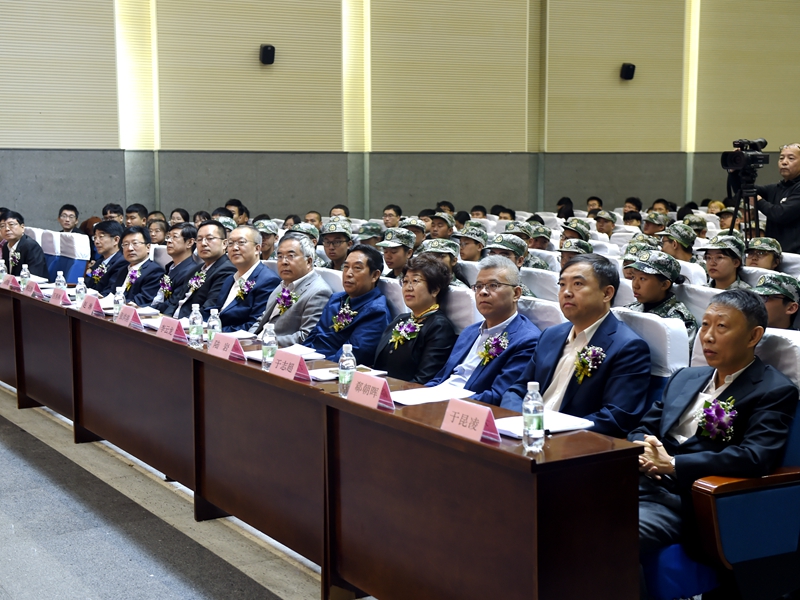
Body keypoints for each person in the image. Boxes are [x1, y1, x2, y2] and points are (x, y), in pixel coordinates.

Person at [632, 289, 798, 560]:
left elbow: (755, 457)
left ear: (753, 336)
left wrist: (672, 464)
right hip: (638, 480)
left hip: (684, 499)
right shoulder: (685, 377)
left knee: (609, 535)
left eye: (721, 327)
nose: (707, 336)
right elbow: (642, 428)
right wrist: (644, 451)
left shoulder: (773, 390)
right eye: (705, 324)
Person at [501, 254, 651, 437]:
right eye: (562, 284)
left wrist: (548, 431)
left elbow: (616, 418)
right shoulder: (550, 335)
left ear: (607, 293)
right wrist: (523, 422)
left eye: (578, 284)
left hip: (568, 442)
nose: (566, 292)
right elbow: (517, 390)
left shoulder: (628, 347)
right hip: (525, 432)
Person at [427, 256, 540, 405]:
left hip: (467, 409)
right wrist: (421, 394)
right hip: (438, 400)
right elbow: (441, 379)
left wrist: (444, 402)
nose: (483, 292)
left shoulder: (527, 340)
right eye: (479, 286)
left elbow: (498, 396)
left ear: (516, 294)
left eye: (493, 285)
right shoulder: (469, 332)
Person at [374, 255, 457, 384]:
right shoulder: (400, 319)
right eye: (405, 281)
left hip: (407, 393)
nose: (408, 287)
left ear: (435, 290)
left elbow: (424, 379)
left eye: (415, 281)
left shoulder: (439, 327)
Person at [306, 245, 391, 365]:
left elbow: (352, 355)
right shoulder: (336, 299)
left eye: (357, 268)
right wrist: (299, 359)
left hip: (332, 369)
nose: (348, 273)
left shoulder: (376, 311)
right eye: (346, 267)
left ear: (374, 275)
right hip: (311, 362)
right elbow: (314, 335)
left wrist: (312, 366)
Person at [250, 235, 333, 345]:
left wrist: (265, 341)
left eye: (291, 256)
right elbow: (262, 320)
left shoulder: (319, 292)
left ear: (308, 261)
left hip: (277, 349)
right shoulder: (283, 284)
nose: (283, 262)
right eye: (280, 256)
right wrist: (247, 338)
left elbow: (306, 336)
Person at [625, 250, 697, 349]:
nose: (635, 285)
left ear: (664, 285)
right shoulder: (630, 309)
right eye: (633, 277)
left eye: (642, 279)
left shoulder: (680, 322)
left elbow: (680, 355)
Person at [214, 225, 280, 332]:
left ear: (257, 249)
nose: (234, 248)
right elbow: (217, 310)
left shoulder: (268, 280)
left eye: (241, 242)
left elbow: (254, 325)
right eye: (230, 243)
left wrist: (215, 331)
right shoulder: (230, 279)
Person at [170, 220, 236, 319]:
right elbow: (174, 302)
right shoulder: (195, 270)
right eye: (199, 239)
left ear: (224, 243)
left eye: (210, 238)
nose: (203, 243)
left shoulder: (227, 270)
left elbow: (209, 309)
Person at [753, 143, 800, 253]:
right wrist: (735, 172)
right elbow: (743, 190)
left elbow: (780, 214)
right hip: (774, 253)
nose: (784, 162)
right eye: (781, 158)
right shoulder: (777, 188)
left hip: (795, 256)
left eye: (791, 158)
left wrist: (758, 200)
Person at [152, 223, 199, 314]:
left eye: (175, 237)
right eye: (168, 237)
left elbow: (172, 303)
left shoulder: (190, 271)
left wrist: (146, 309)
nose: (169, 241)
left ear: (190, 242)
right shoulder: (170, 266)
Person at [111, 226, 164, 305]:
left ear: (148, 247)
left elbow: (142, 301)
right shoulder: (123, 270)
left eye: (135, 243)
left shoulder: (155, 271)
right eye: (126, 244)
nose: (130, 248)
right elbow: (113, 293)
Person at [0, 211, 48, 278]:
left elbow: (34, 275)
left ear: (22, 227)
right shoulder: (6, 246)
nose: (7, 229)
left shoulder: (31, 246)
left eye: (11, 225)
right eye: (2, 226)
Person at [86, 220, 127, 295]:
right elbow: (90, 285)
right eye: (95, 237)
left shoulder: (122, 262)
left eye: (101, 237)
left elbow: (110, 292)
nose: (96, 242)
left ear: (116, 240)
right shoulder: (100, 262)